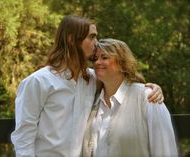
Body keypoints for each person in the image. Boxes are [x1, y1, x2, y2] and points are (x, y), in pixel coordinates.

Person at [11, 15, 164, 157]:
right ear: (72, 39)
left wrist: (151, 88)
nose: (96, 43)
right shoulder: (38, 82)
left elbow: (121, 83)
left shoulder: (93, 78)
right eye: (91, 37)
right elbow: (24, 135)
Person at [82, 38, 178, 157]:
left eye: (104, 57)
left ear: (122, 63)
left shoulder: (148, 97)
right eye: (95, 59)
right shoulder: (92, 99)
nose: (97, 62)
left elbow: (165, 151)